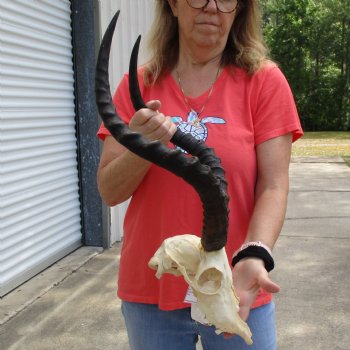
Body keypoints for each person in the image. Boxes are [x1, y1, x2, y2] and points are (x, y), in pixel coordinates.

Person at [97, 0, 303, 349]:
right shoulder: (139, 84)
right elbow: (109, 191)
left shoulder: (264, 81)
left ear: (239, 10)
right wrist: (143, 145)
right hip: (152, 288)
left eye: (225, 0)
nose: (211, 8)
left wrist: (254, 254)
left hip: (234, 283)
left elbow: (273, 185)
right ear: (173, 6)